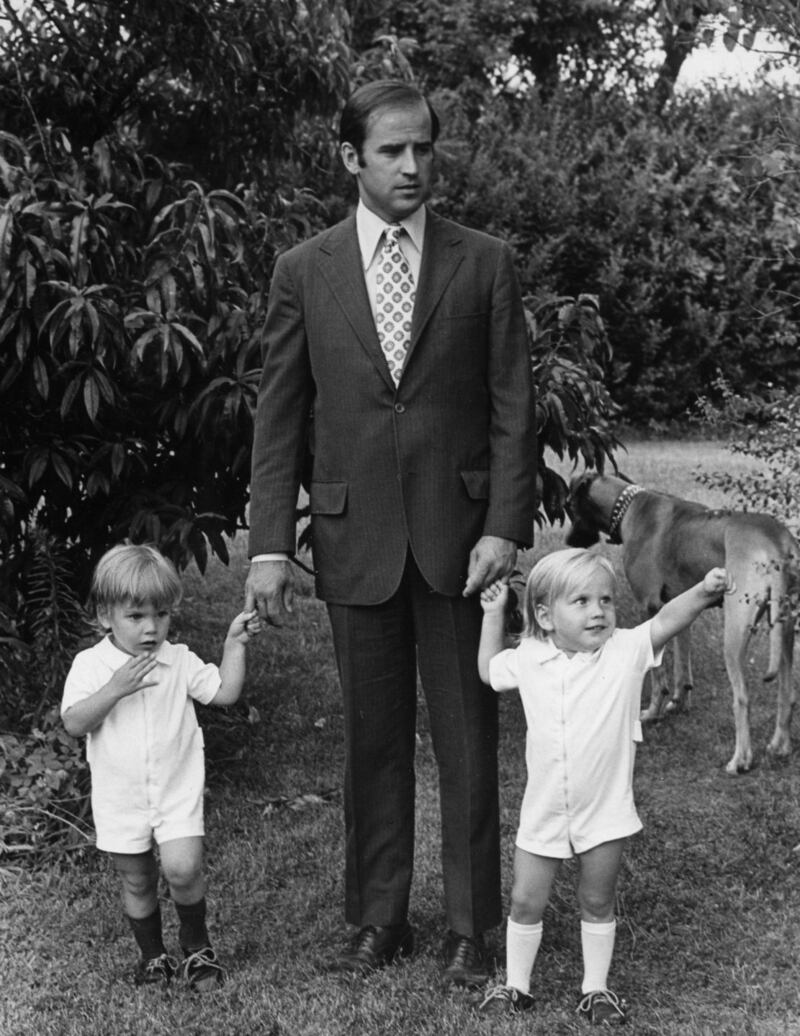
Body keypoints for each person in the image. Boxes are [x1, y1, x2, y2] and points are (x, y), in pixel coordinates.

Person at [244, 78, 536, 986]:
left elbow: (512, 407)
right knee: (372, 742)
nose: (413, 167)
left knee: (467, 738)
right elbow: (280, 414)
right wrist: (265, 549)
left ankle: (469, 927)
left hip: (462, 544)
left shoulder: (483, 261)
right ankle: (379, 919)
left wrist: (504, 528)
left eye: (424, 149)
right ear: (350, 158)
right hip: (352, 537)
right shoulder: (305, 269)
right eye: (392, 152)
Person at [477, 547, 733, 1024]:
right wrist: (493, 615)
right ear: (544, 616)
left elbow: (666, 621)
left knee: (597, 899)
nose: (599, 611)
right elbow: (488, 672)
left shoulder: (624, 653)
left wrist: (702, 591)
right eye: (582, 601)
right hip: (544, 808)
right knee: (525, 899)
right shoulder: (531, 657)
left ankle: (595, 990)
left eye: (607, 600)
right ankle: (516, 986)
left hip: (605, 809)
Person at [61, 543, 261, 991]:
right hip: (121, 797)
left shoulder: (178, 659)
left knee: (184, 868)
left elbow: (224, 692)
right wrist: (114, 689)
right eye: (136, 617)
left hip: (175, 790)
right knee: (137, 879)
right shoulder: (92, 666)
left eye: (162, 615)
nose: (151, 629)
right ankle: (153, 958)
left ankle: (196, 948)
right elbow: (74, 722)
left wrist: (234, 643)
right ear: (105, 615)